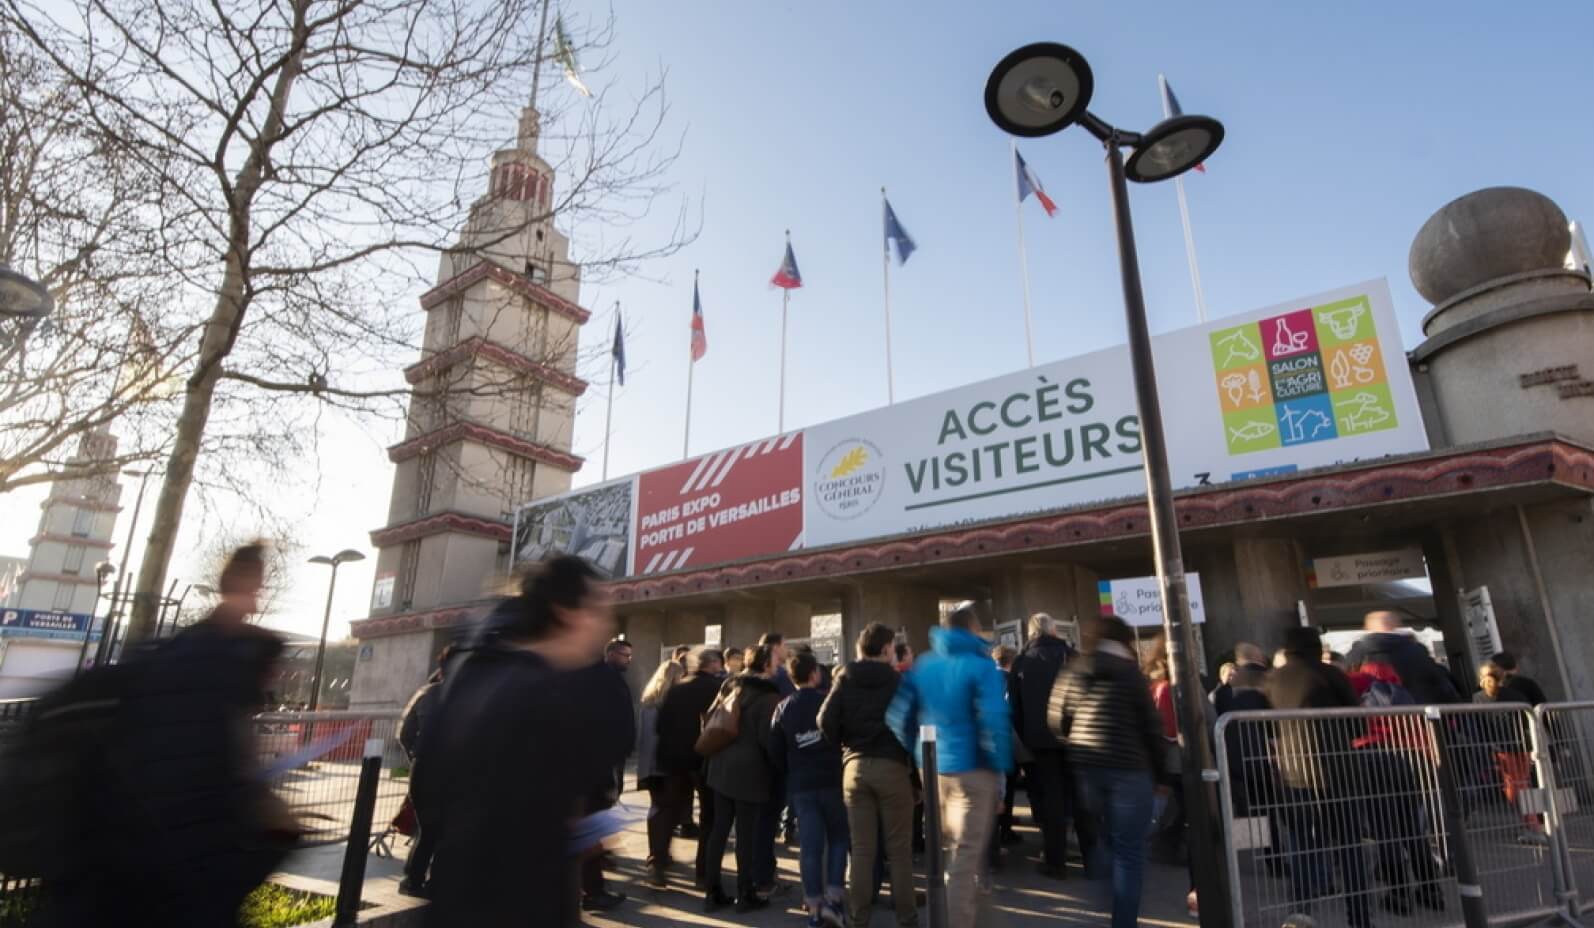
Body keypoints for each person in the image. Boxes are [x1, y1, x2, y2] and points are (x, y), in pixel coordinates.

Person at [33, 542, 294, 928]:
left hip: (93, 887)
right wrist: (277, 832)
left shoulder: (166, 655)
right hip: (167, 890)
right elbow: (213, 814)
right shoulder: (222, 680)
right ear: (250, 585)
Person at [419, 555, 633, 927]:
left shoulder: (479, 669)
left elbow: (429, 783)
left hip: (468, 888)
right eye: (599, 610)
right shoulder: (536, 691)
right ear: (567, 613)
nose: (606, 625)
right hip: (509, 900)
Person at [888, 602, 1012, 928]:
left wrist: (917, 754)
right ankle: (958, 920)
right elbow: (995, 720)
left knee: (950, 848)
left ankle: (967, 908)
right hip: (973, 768)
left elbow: (898, 716)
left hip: (933, 769)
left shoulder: (924, 664)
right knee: (966, 855)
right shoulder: (982, 666)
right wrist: (1001, 770)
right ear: (974, 630)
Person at [1046, 615, 1163, 928]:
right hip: (1130, 768)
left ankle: (1106, 885)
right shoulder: (1131, 673)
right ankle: (1123, 919)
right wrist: (1161, 772)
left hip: (1088, 768)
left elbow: (1056, 718)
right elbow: (1152, 727)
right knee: (1129, 850)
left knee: (1106, 839)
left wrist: (1073, 742)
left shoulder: (1074, 669)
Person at [1267, 626, 1373, 928]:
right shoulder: (1331, 675)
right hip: (1337, 771)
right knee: (1349, 845)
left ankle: (1300, 915)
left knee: (1301, 846)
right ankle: (1359, 917)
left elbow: (1268, 729)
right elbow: (1357, 722)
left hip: (1293, 773)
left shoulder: (1273, 679)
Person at [819, 622, 920, 928]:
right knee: (899, 850)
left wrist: (843, 745)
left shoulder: (844, 678)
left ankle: (858, 917)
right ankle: (907, 916)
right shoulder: (900, 682)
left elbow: (824, 719)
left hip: (855, 768)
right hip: (892, 768)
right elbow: (914, 727)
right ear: (888, 648)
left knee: (862, 849)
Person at [702, 644, 784, 913]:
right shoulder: (768, 696)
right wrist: (780, 767)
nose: (779, 663)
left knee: (719, 829)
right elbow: (768, 740)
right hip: (750, 773)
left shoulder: (729, 684)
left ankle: (712, 892)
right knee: (746, 836)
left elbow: (710, 717)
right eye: (775, 660)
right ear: (766, 665)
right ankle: (745, 893)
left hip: (720, 766)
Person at [771, 650, 850, 927]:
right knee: (839, 838)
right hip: (831, 780)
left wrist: (791, 772)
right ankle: (835, 898)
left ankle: (814, 906)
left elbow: (775, 749)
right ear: (814, 674)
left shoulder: (783, 707)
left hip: (802, 785)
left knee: (810, 846)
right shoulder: (825, 702)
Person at [1008, 612, 1080, 880]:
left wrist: (1027, 738)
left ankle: (1056, 859)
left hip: (1039, 741)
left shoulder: (1022, 662)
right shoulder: (1072, 656)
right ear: (1053, 630)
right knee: (1079, 795)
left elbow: (1014, 708)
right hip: (1074, 738)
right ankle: (1092, 857)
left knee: (1051, 799)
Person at [652, 648, 725, 889]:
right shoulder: (716, 687)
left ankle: (659, 866)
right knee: (708, 817)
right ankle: (703, 874)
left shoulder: (677, 688)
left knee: (668, 812)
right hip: (701, 759)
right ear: (713, 664)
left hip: (671, 759)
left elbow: (660, 726)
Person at [398, 646, 453, 898]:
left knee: (427, 827)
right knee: (447, 828)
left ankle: (412, 880)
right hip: (452, 768)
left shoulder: (425, 694)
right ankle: (436, 883)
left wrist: (415, 756)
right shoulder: (467, 695)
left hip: (422, 768)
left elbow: (404, 733)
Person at [1346, 611, 1460, 704]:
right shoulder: (1416, 651)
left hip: (1372, 719)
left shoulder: (1355, 655)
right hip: (1418, 716)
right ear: (1394, 625)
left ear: (1368, 627)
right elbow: (1439, 685)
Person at [638, 659, 685, 884]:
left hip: (648, 765)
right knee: (669, 811)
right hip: (667, 764)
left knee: (657, 809)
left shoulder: (648, 701)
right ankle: (657, 858)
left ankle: (657, 855)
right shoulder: (671, 702)